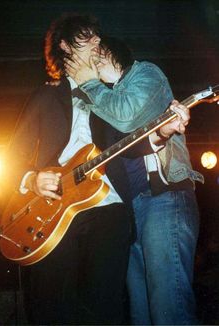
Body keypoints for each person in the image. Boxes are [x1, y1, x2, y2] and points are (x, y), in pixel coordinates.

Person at [64, 36, 204, 325]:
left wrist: (89, 83)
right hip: (130, 209)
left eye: (96, 56)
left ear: (110, 54)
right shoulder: (106, 101)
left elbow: (128, 116)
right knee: (141, 314)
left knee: (169, 308)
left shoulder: (146, 73)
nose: (91, 65)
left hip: (164, 198)